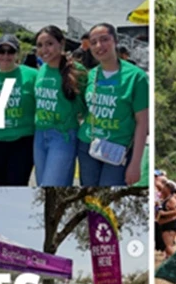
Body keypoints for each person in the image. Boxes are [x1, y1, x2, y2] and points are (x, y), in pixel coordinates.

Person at [77, 23, 148, 187]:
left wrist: (135, 164)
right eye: (93, 42)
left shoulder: (136, 77)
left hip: (118, 149)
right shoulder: (91, 75)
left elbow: (142, 122)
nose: (99, 46)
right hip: (88, 144)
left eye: (104, 40)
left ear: (115, 41)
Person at [0, 34, 38, 186]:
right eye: (1, 51)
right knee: (2, 185)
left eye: (10, 51)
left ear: (17, 54)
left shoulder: (32, 76)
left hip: (23, 142)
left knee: (17, 184)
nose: (5, 55)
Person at [33, 25, 86, 186]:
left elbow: (87, 104)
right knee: (43, 186)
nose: (44, 49)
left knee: (51, 185)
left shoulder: (76, 70)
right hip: (40, 135)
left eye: (49, 43)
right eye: (40, 45)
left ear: (61, 44)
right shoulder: (41, 70)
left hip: (63, 136)